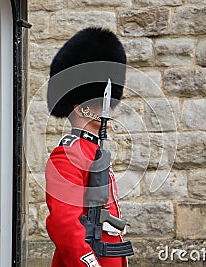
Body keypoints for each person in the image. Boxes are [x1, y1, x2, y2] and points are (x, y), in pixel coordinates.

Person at [45, 27, 130, 267]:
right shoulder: (68, 154)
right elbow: (64, 225)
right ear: (81, 108)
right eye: (99, 104)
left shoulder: (94, 152)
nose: (108, 111)